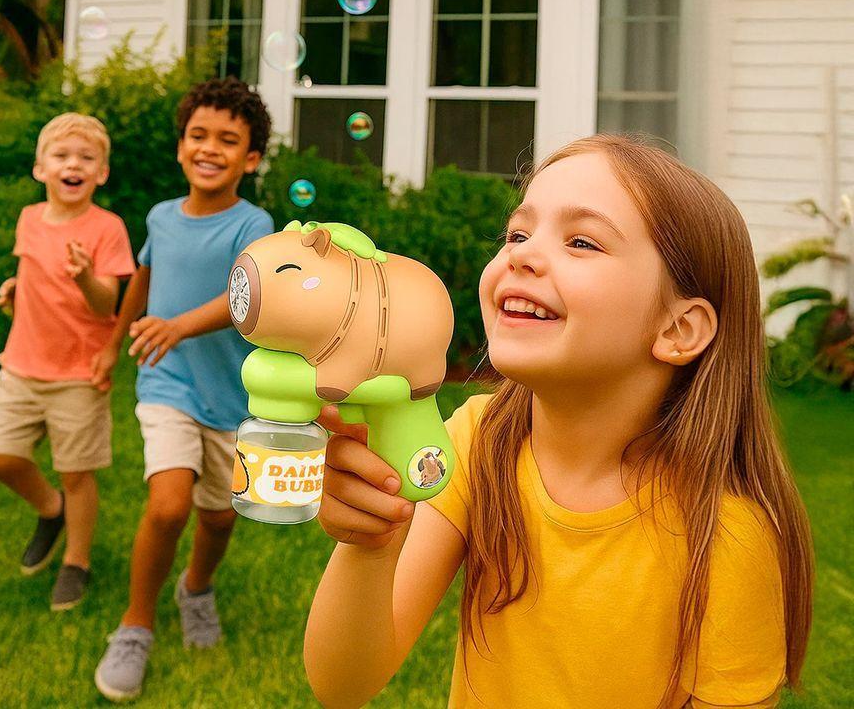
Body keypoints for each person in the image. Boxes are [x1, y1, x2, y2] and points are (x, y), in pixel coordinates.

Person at [305, 134, 814, 709]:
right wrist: (369, 548)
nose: (520, 254)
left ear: (678, 330)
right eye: (517, 233)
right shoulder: (480, 441)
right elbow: (343, 686)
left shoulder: (725, 535)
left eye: (582, 242)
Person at [92, 77, 274, 702]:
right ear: (180, 147)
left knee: (219, 516)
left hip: (231, 396)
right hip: (166, 382)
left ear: (250, 160)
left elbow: (248, 295)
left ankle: (195, 588)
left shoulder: (255, 223)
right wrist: (116, 345)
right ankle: (135, 626)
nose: (210, 148)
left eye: (229, 140)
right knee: (169, 505)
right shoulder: (161, 218)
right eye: (199, 135)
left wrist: (178, 325)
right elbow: (142, 280)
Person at [0, 113, 135, 611]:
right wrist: (15, 291)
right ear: (39, 168)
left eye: (86, 158)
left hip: (78, 373)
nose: (74, 165)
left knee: (77, 471)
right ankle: (51, 510)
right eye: (63, 156)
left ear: (102, 173)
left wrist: (86, 276)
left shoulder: (107, 229)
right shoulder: (29, 218)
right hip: (22, 364)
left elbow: (105, 304)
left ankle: (77, 561)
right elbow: (32, 273)